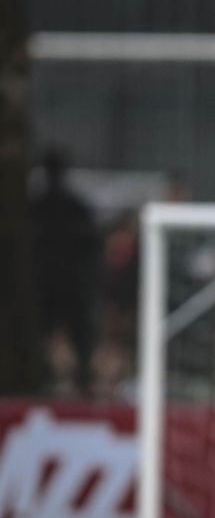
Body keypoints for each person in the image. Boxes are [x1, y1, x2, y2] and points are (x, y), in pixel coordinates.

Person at [31, 148, 101, 396]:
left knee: (73, 334)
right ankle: (50, 378)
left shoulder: (66, 207)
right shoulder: (41, 207)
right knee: (45, 334)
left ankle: (81, 380)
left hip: (64, 286)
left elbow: (92, 243)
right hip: (52, 286)